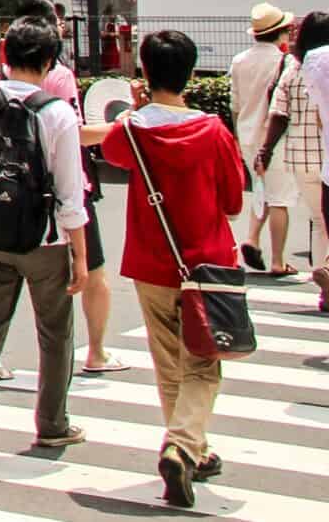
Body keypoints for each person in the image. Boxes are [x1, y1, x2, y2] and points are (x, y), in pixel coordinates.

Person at [98, 29, 246, 508]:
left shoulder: (132, 130)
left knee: (169, 365)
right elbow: (231, 200)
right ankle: (183, 446)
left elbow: (114, 154)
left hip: (151, 261)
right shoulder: (214, 131)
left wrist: (137, 106)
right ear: (192, 72)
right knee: (204, 364)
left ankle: (191, 449)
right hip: (207, 263)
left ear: (144, 72)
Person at [0, 17, 91, 467]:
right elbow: (72, 194)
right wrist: (81, 256)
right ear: (50, 63)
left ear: (5, 57)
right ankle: (52, 424)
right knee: (54, 333)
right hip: (44, 242)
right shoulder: (58, 113)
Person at [5, 1, 124, 376]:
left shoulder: (0, 81)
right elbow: (73, 133)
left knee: (7, 279)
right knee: (94, 272)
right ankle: (97, 351)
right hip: (65, 185)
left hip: (15, 188)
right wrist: (119, 128)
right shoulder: (57, 76)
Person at [255, 10, 329, 311]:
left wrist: (265, 150)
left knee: (316, 221)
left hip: (299, 157)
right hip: (324, 155)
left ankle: (324, 288)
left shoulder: (292, 69)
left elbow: (278, 113)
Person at [231, 3, 299, 276]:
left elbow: (235, 104)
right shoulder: (286, 62)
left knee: (263, 191)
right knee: (280, 199)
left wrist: (238, 136)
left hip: (247, 136)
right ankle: (278, 261)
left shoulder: (239, 60)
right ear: (281, 33)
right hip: (276, 138)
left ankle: (251, 238)